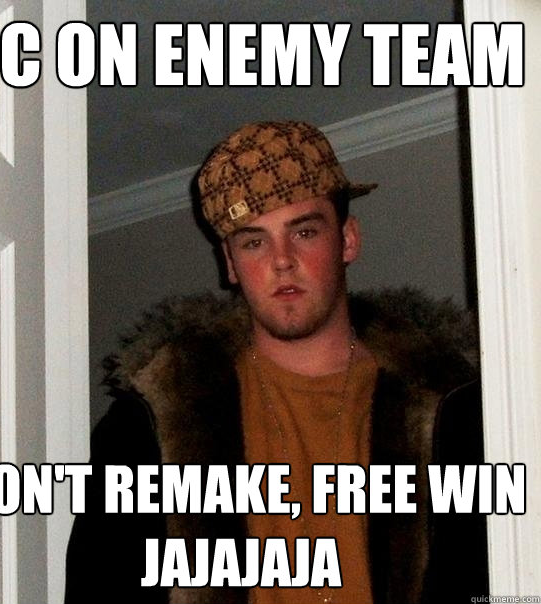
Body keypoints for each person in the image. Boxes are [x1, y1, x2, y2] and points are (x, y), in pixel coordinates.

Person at [65, 121, 487, 603]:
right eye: (254, 241)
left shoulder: (454, 409)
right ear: (230, 263)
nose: (281, 260)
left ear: (347, 240)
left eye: (303, 231)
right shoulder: (151, 423)